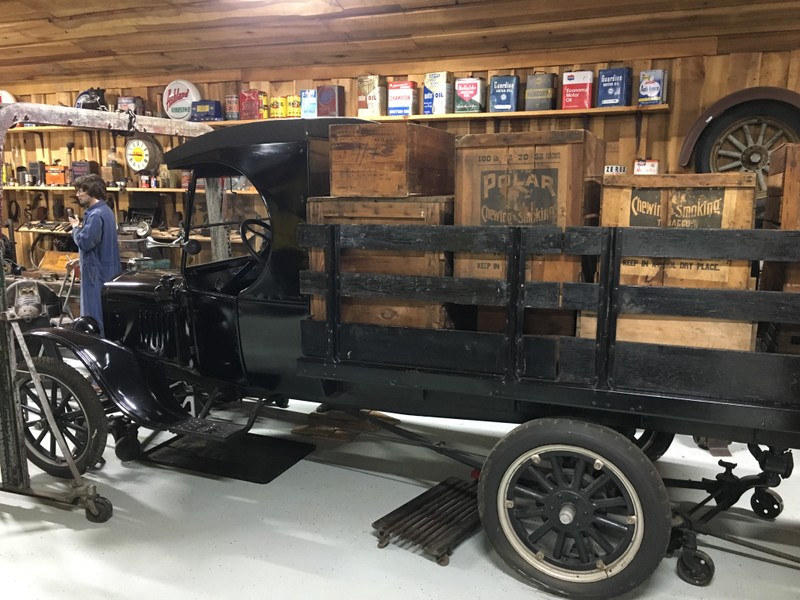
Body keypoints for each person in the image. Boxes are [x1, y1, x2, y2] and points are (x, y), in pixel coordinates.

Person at [68, 174, 121, 336]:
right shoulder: (106, 211)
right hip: (104, 272)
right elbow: (99, 246)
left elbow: (85, 242)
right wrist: (79, 261)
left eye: (81, 190)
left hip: (96, 276)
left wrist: (76, 228)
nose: (78, 194)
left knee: (94, 319)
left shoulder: (96, 215)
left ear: (92, 191)